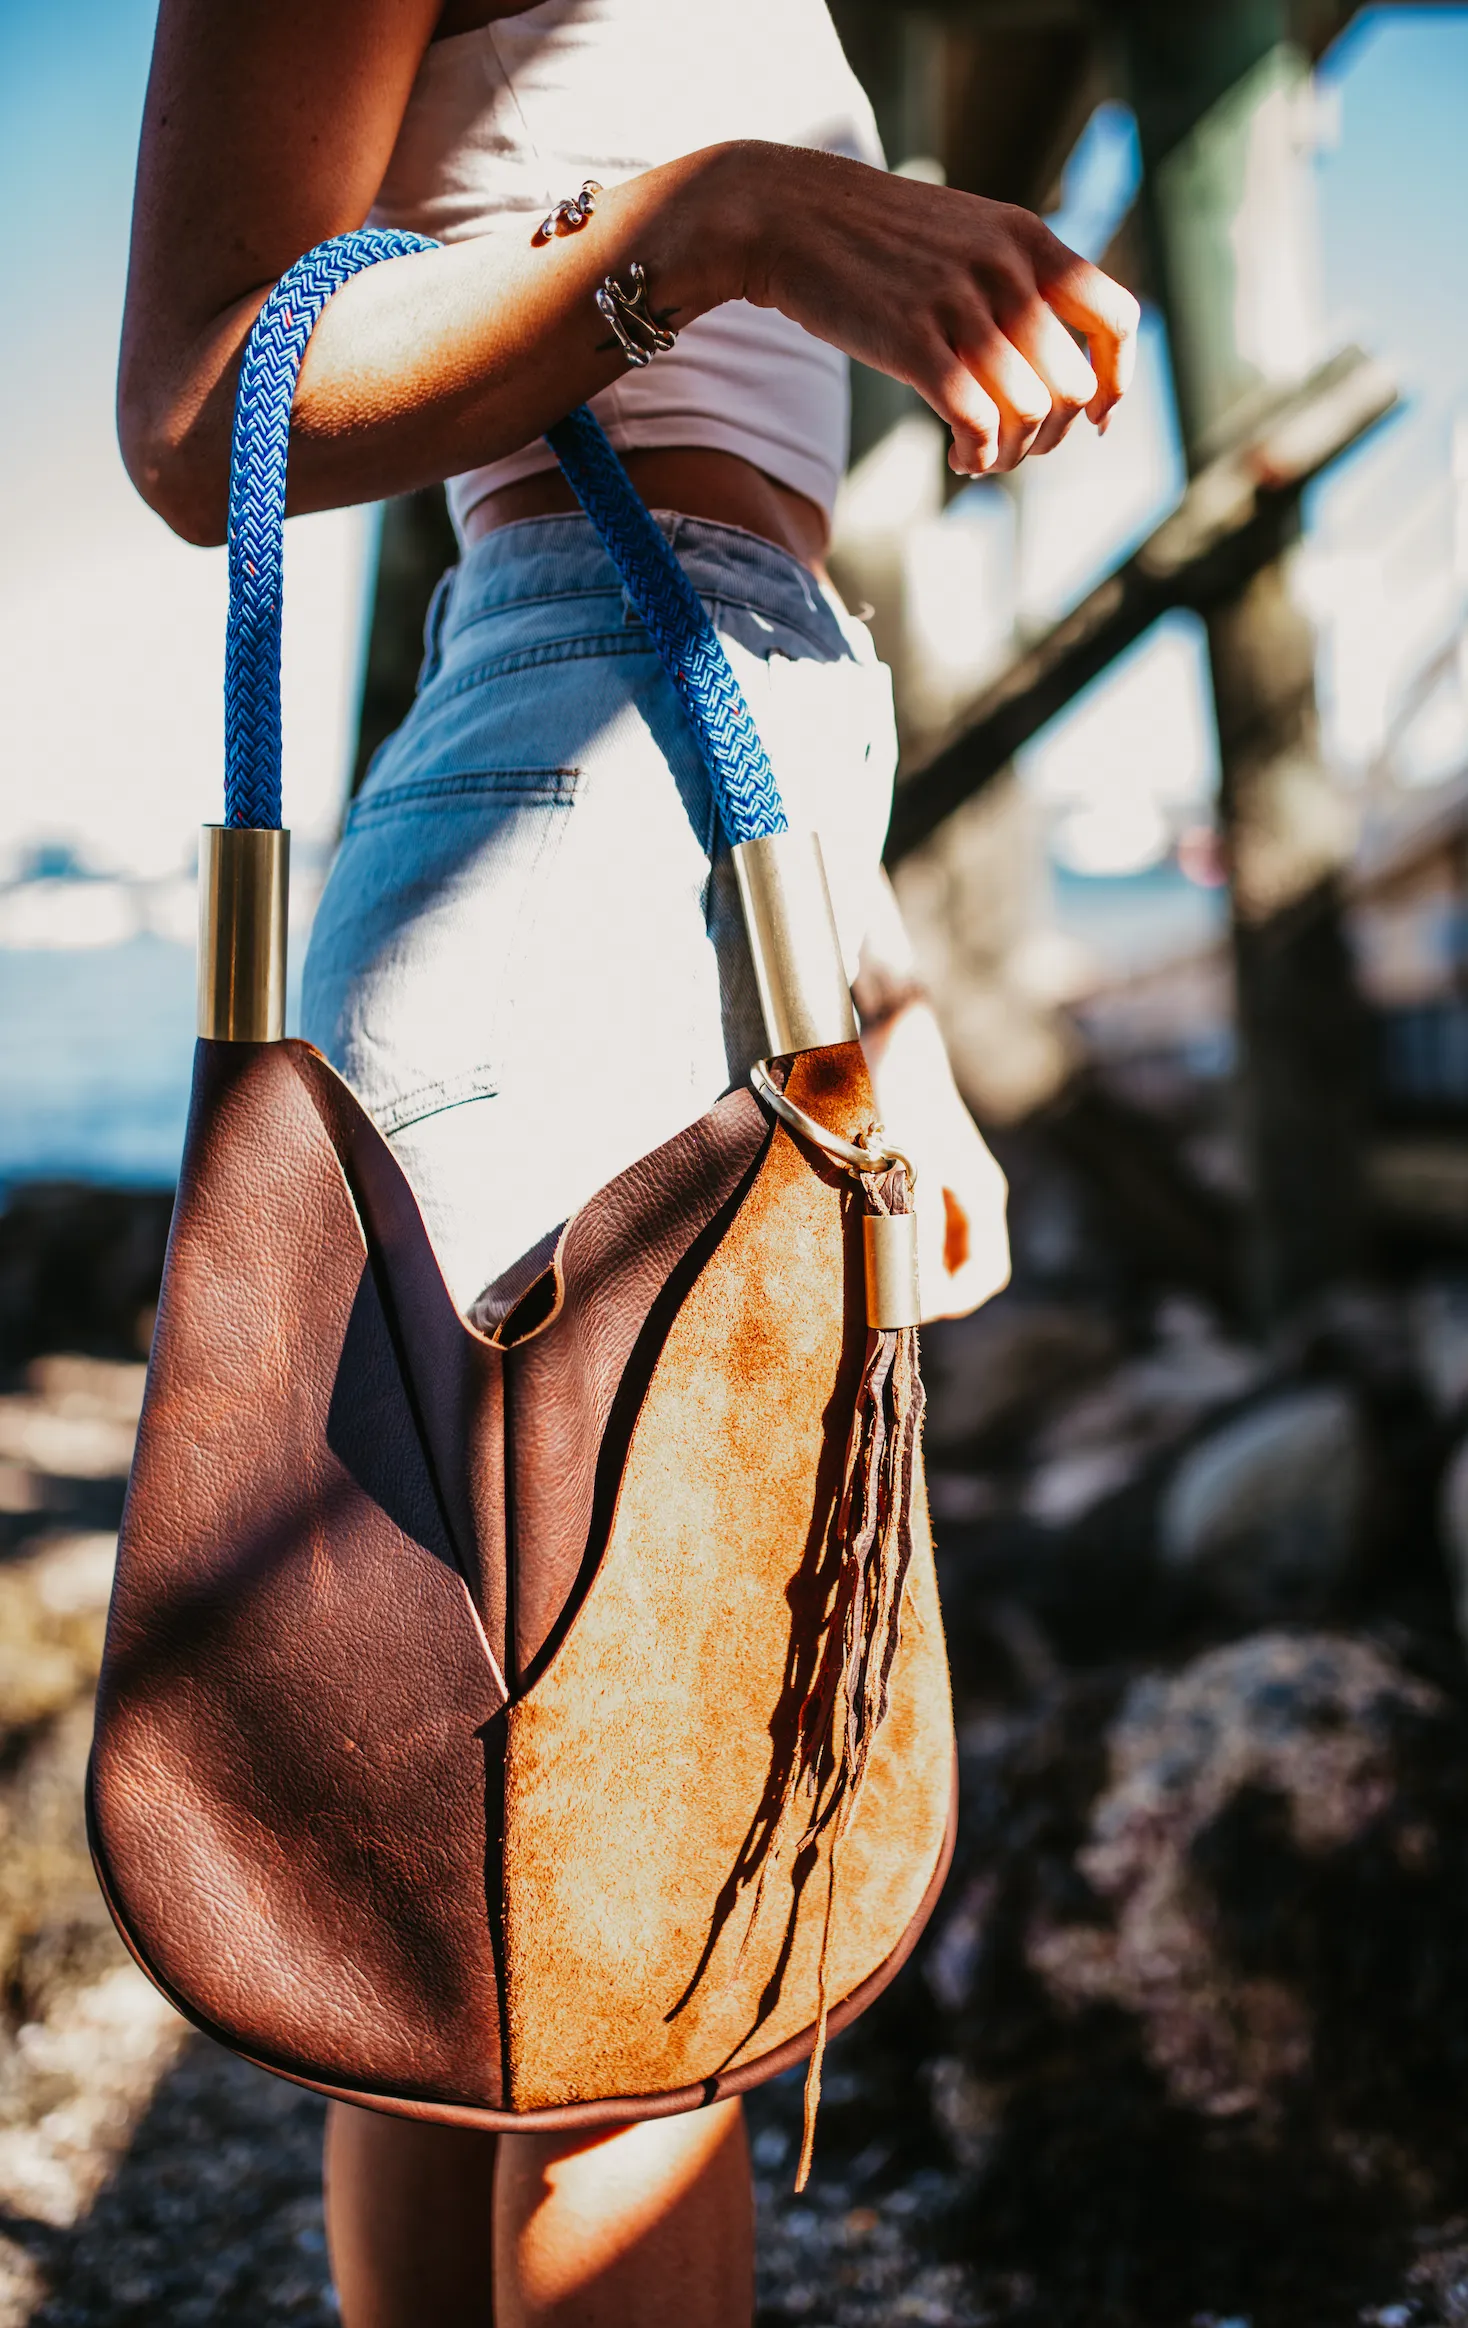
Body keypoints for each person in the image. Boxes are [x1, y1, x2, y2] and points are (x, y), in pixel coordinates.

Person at [119, 2, 1139, 2319]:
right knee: (625, 1960)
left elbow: (710, 618)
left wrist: (880, 1012)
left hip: (661, 808)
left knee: (454, 1917)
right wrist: (715, 220)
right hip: (569, 844)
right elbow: (200, 408)